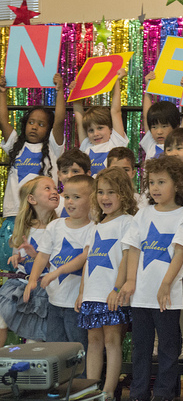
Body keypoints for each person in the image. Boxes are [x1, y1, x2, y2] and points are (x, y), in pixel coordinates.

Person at [118, 156, 183, 401]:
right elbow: (133, 248)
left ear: (178, 185)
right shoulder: (143, 213)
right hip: (141, 295)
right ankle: (138, 393)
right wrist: (130, 281)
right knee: (141, 347)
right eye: (151, 182)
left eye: (162, 182)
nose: (155, 188)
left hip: (167, 296)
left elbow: (180, 252)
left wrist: (165, 285)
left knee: (168, 348)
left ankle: (164, 393)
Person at [76, 167, 137, 401]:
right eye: (100, 192)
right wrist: (82, 292)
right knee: (93, 341)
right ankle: (91, 389)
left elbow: (126, 259)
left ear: (123, 194)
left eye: (111, 192)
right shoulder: (96, 226)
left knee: (112, 341)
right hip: (92, 294)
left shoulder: (128, 222)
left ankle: (109, 390)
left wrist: (116, 288)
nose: (105, 198)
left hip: (111, 293)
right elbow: (88, 262)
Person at [24, 175, 95, 352]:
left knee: (78, 349)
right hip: (54, 301)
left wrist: (56, 273)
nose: (70, 202)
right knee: (55, 349)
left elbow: (83, 259)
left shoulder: (93, 228)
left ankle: (82, 380)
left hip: (76, 305)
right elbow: (42, 256)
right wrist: (33, 280)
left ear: (92, 200)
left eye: (77, 197)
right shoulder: (55, 226)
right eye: (68, 196)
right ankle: (59, 381)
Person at [0, 73, 65, 266]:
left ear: (49, 129)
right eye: (31, 122)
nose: (34, 127)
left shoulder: (53, 148)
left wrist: (60, 91)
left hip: (40, 218)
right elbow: (3, 121)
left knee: (38, 262)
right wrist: (2, 93)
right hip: (15, 215)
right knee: (12, 264)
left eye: (41, 124)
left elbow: (60, 120)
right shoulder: (15, 145)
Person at [0, 177, 59, 345]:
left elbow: (54, 265)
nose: (54, 191)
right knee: (1, 319)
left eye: (55, 188)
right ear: (32, 199)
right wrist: (17, 258)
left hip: (42, 290)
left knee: (35, 336)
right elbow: (18, 254)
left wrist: (36, 256)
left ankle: (33, 367)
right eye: (47, 188)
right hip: (19, 285)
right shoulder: (23, 227)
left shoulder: (58, 227)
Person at [72, 69, 129, 175]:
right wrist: (75, 92)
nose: (96, 134)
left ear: (111, 129)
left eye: (100, 128)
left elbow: (115, 111)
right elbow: (79, 120)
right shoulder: (87, 146)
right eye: (91, 130)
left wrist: (116, 81)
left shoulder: (116, 143)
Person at [140, 73, 182, 159]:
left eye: (164, 126)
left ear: (176, 127)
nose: (159, 132)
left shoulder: (181, 145)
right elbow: (146, 115)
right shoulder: (151, 144)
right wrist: (148, 88)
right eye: (154, 127)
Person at [56, 148, 92, 217]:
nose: (69, 176)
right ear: (59, 175)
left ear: (88, 174)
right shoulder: (54, 202)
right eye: (64, 172)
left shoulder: (94, 202)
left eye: (75, 171)